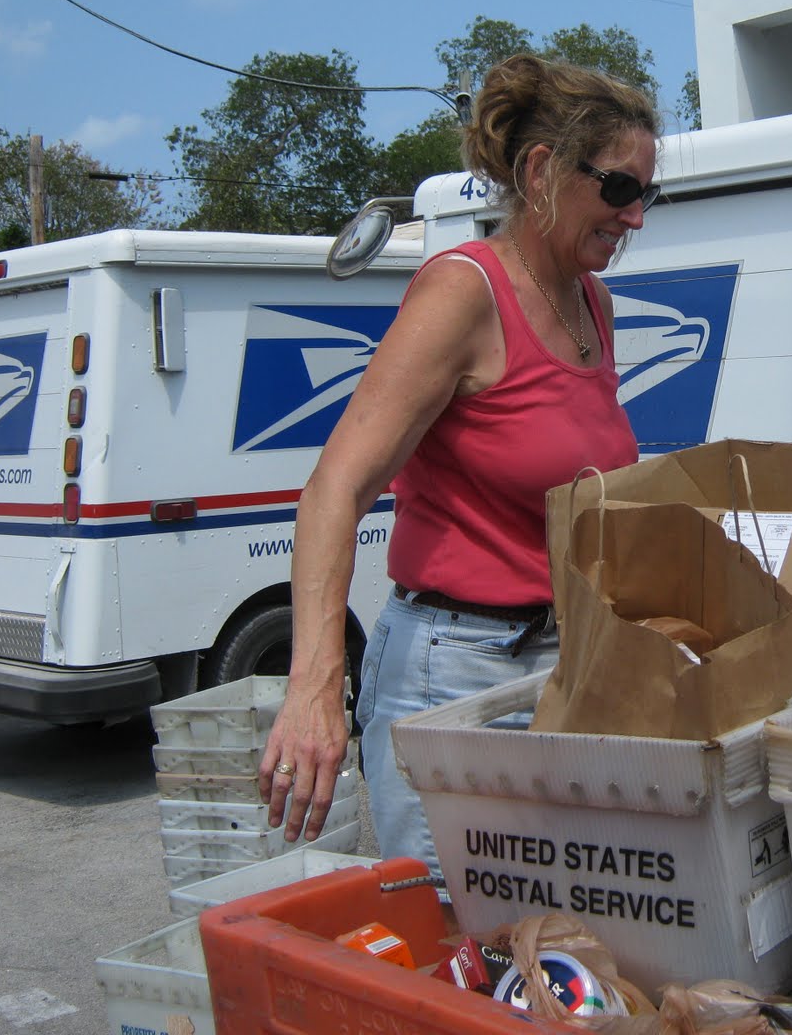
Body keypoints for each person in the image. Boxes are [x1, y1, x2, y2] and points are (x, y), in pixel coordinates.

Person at [258, 53, 659, 868]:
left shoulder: (594, 304)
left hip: (562, 668)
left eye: (648, 194)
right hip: (455, 677)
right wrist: (313, 689)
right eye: (619, 189)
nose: (636, 217)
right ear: (542, 171)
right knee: (468, 948)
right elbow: (336, 487)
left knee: (559, 941)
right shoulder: (462, 292)